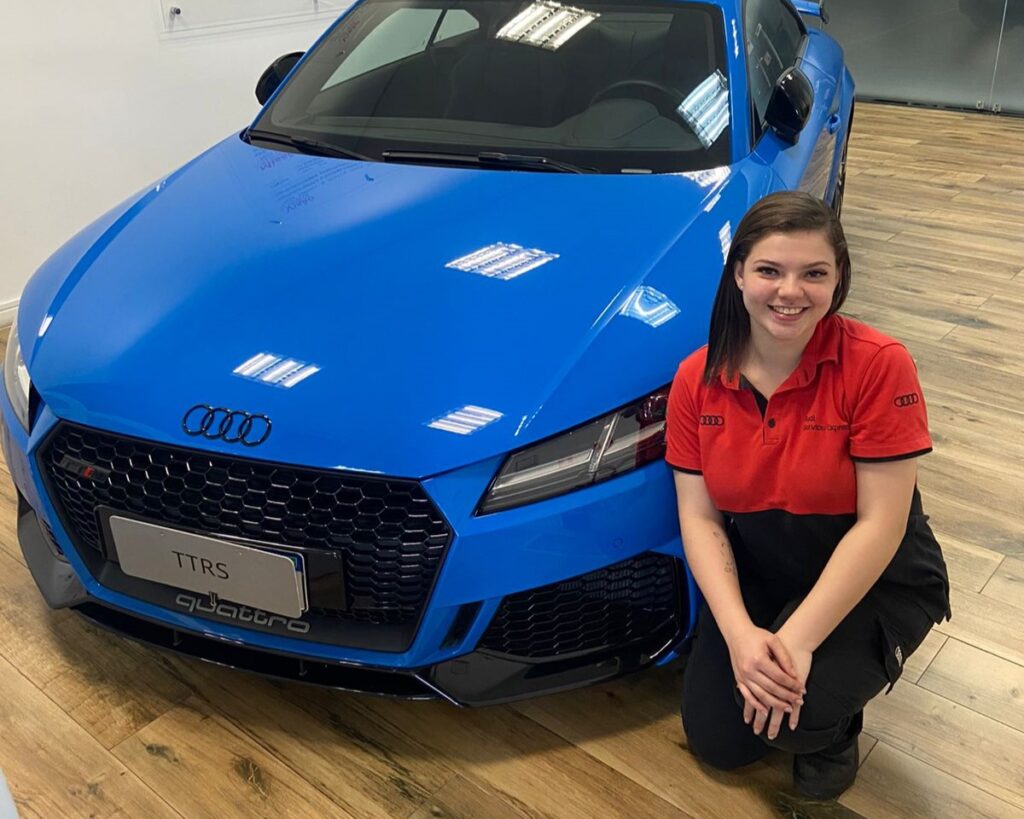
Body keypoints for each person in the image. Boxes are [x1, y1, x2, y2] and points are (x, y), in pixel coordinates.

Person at [665, 191, 951, 799]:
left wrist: (796, 642)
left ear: (838, 277)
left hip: (877, 573)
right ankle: (785, 658)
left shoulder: (879, 364)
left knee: (800, 718)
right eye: (769, 270)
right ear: (738, 274)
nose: (790, 291)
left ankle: (836, 728)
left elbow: (880, 525)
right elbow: (700, 516)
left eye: (814, 273)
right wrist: (741, 635)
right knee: (720, 742)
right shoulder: (696, 378)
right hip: (765, 566)